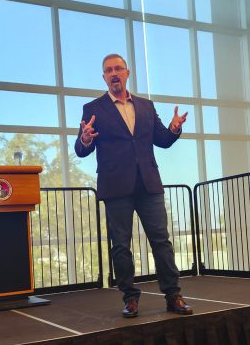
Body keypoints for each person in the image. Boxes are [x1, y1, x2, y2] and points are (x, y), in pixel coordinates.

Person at [75, 53, 193, 318]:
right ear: (104, 77)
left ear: (127, 73)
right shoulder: (93, 109)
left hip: (148, 184)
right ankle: (130, 298)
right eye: (109, 70)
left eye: (119, 68)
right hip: (116, 186)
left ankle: (173, 295)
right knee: (121, 245)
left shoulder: (146, 106)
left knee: (161, 242)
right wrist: (84, 139)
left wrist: (174, 128)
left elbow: (162, 139)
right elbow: (82, 149)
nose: (114, 73)